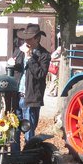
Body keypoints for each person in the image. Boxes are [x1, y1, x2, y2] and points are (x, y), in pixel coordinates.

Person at [7, 23, 51, 154]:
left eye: (29, 38)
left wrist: (30, 57)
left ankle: (28, 162)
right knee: (13, 130)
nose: (26, 41)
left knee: (28, 132)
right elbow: (17, 70)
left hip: (31, 98)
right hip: (16, 96)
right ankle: (15, 160)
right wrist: (11, 64)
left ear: (37, 38)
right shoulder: (19, 51)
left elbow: (40, 74)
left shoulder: (44, 55)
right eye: (25, 38)